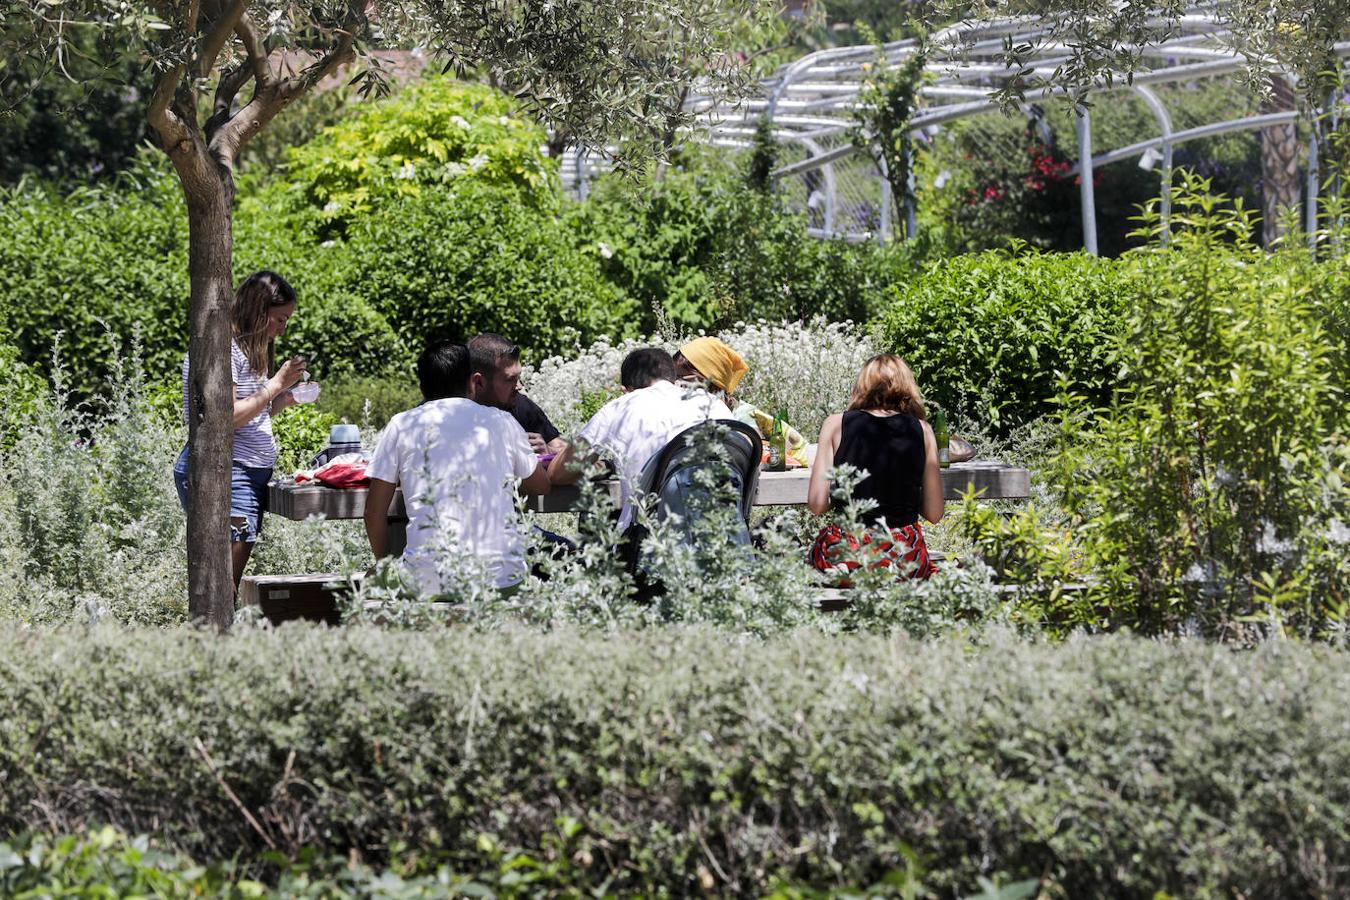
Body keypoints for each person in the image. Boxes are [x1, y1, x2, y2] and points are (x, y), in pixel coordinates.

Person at [365, 343, 551, 597]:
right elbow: (540, 486)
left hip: (426, 582)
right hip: (502, 580)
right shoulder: (503, 421)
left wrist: (382, 565)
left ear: (422, 387)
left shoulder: (402, 424)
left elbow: (373, 512)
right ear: (474, 381)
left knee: (371, 582)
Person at [173, 270, 310, 590]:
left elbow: (251, 414)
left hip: (246, 473)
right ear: (257, 311)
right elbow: (227, 418)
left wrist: (283, 399)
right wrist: (277, 383)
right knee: (222, 584)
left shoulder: (249, 349)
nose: (282, 329)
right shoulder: (222, 350)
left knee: (223, 579)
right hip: (227, 472)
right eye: (279, 319)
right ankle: (215, 637)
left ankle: (218, 634)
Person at [548, 347, 732, 537]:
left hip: (648, 548)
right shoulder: (714, 405)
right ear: (673, 378)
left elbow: (559, 474)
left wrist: (607, 465)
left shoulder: (621, 407)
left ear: (627, 390)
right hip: (723, 544)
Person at [806, 354, 942, 581]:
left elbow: (818, 505)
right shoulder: (923, 430)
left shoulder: (835, 424)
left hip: (848, 558)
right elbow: (935, 513)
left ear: (862, 386)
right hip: (905, 560)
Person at [675, 336, 807, 466]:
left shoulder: (741, 418)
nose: (676, 384)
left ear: (710, 381)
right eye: (674, 377)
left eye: (682, 377)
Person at [467, 333, 566, 456]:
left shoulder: (520, 405)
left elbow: (566, 451)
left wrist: (549, 452)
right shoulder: (456, 416)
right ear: (479, 382)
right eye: (510, 379)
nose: (519, 386)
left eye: (518, 377)